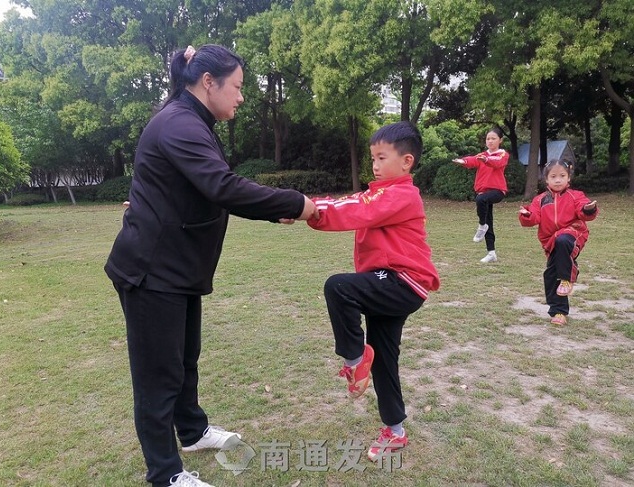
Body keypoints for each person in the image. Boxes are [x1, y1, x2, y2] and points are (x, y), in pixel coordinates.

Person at [104, 44, 317, 487]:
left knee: (184, 361)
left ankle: (193, 432)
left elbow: (206, 187)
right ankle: (165, 474)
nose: (240, 97)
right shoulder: (180, 124)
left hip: (178, 268)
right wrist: (298, 203)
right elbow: (222, 186)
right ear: (208, 82)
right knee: (158, 378)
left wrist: (178, 64)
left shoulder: (189, 118)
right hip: (152, 271)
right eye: (236, 87)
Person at [307, 121, 440, 461]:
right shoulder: (378, 192)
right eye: (373, 158)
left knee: (338, 287)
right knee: (385, 359)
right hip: (388, 282)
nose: (375, 165)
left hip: (402, 281)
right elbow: (346, 203)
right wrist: (304, 206)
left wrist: (306, 209)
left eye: (382, 158)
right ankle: (395, 431)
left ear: (406, 161)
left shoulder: (402, 194)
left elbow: (358, 211)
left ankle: (355, 358)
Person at [518, 159, 598, 326]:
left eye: (562, 175)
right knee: (550, 275)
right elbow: (533, 218)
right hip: (550, 241)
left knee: (563, 241)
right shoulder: (540, 200)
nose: (558, 179)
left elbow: (584, 210)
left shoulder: (576, 196)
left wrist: (588, 209)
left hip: (573, 234)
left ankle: (568, 277)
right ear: (546, 180)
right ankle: (559, 312)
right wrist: (526, 215)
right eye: (553, 176)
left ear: (568, 178)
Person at [453, 127, 509, 263]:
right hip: (483, 192)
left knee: (480, 200)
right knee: (489, 220)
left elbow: (498, 163)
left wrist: (487, 160)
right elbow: (473, 160)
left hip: (497, 191)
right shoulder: (482, 155)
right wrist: (463, 161)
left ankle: (482, 225)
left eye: (493, 138)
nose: (490, 141)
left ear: (500, 140)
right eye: (488, 139)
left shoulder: (502, 154)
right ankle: (491, 253)